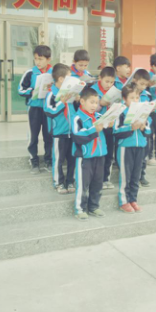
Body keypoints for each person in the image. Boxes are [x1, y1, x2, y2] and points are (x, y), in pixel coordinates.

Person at [72, 88, 110, 221]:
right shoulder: (77, 117)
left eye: (96, 103)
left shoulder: (99, 116)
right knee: (83, 184)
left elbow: (107, 129)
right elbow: (78, 136)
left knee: (97, 183)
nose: (94, 105)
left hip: (100, 155)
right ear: (82, 101)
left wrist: (110, 123)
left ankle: (94, 206)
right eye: (91, 102)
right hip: (85, 157)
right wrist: (94, 129)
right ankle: (80, 209)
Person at [114, 84, 152, 214]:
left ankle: (133, 199)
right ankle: (124, 201)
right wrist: (131, 128)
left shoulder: (144, 112)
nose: (135, 101)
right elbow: (116, 131)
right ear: (124, 99)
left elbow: (148, 130)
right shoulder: (120, 112)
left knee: (136, 175)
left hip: (140, 146)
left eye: (137, 97)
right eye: (132, 98)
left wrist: (143, 127)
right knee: (126, 176)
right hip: (126, 147)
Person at [18, 45, 54, 174]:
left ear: (48, 59)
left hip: (49, 109)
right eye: (36, 59)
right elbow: (20, 90)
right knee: (33, 136)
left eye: (41, 59)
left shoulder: (54, 73)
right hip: (34, 109)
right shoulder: (30, 73)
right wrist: (31, 91)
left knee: (48, 136)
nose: (38, 62)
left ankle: (48, 160)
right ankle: (34, 161)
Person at [45, 64, 77, 195]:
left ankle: (70, 181)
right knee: (58, 159)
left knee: (72, 158)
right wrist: (62, 102)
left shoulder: (69, 92)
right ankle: (58, 182)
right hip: (59, 133)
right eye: (69, 78)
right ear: (61, 79)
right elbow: (49, 111)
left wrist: (77, 99)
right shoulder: (51, 94)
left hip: (72, 132)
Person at [91, 66, 117, 190]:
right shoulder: (92, 91)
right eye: (106, 81)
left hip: (110, 126)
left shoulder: (114, 91)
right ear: (100, 78)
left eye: (112, 82)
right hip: (97, 127)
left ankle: (106, 178)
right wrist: (100, 104)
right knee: (98, 154)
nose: (109, 84)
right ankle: (96, 179)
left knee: (109, 153)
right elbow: (88, 110)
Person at [132, 69, 153, 188]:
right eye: (141, 84)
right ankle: (132, 176)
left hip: (144, 127)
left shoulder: (147, 95)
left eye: (145, 85)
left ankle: (142, 175)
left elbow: (148, 113)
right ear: (135, 81)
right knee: (132, 155)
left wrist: (145, 122)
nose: (143, 87)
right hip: (131, 127)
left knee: (144, 153)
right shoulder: (129, 93)